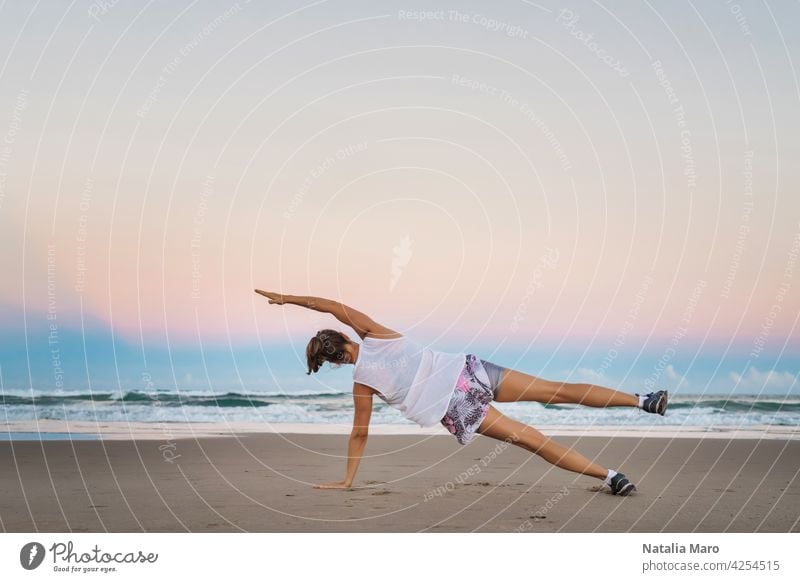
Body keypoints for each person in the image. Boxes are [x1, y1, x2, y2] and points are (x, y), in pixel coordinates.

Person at [255, 289, 667, 496]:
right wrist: (288, 298)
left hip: (455, 406)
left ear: (331, 361)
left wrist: (347, 480)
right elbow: (332, 304)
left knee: (533, 440)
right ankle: (641, 400)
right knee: (556, 390)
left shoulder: (362, 384)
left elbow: (359, 434)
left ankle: (612, 477)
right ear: (344, 336)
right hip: (468, 373)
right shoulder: (375, 334)